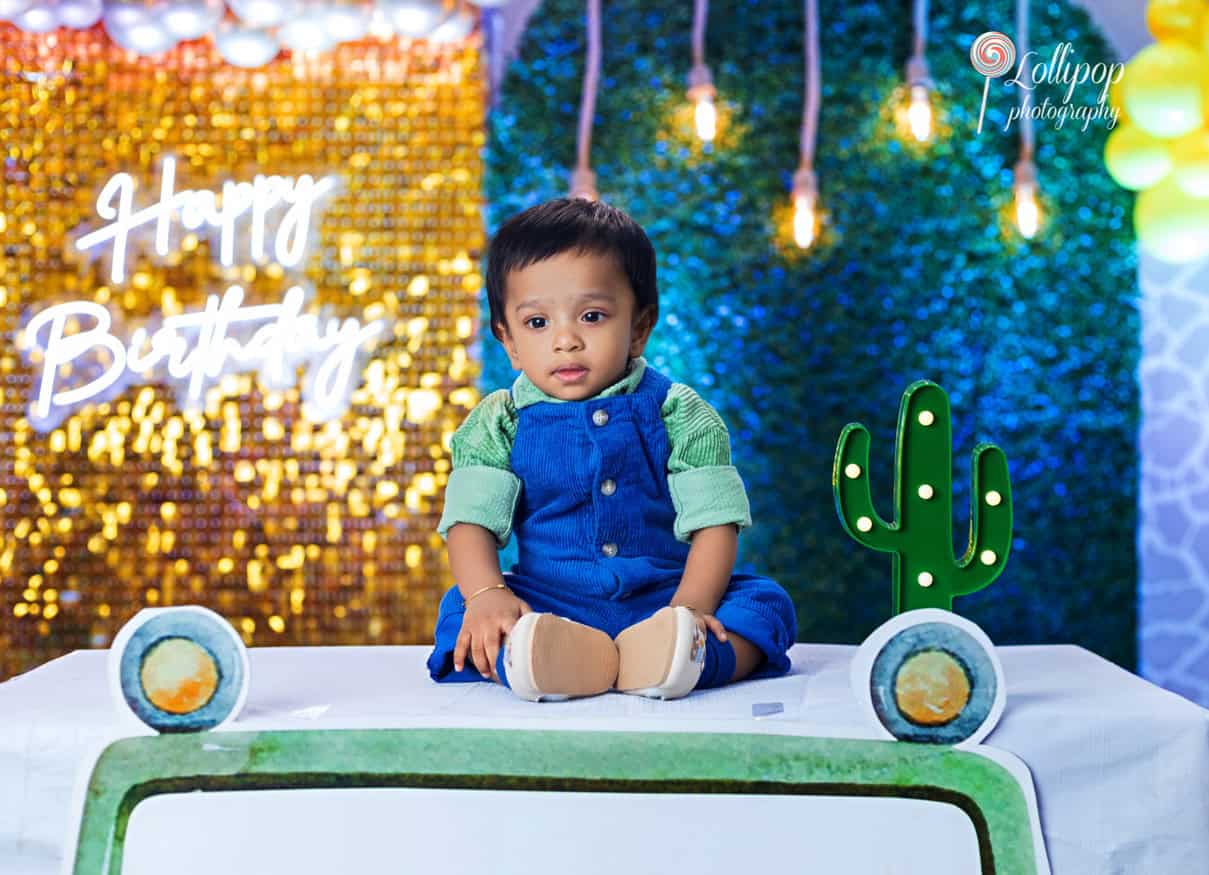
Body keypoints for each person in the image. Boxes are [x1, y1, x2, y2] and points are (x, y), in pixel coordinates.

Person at [426, 197, 796, 702]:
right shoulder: (498, 422)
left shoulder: (679, 411)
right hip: (548, 601)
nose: (567, 341)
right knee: (461, 613)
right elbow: (471, 522)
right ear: (507, 341)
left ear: (639, 327)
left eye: (593, 316)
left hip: (665, 594)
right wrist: (489, 595)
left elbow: (716, 521)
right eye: (538, 324)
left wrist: (689, 607)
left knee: (764, 604)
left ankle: (678, 656)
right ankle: (550, 658)